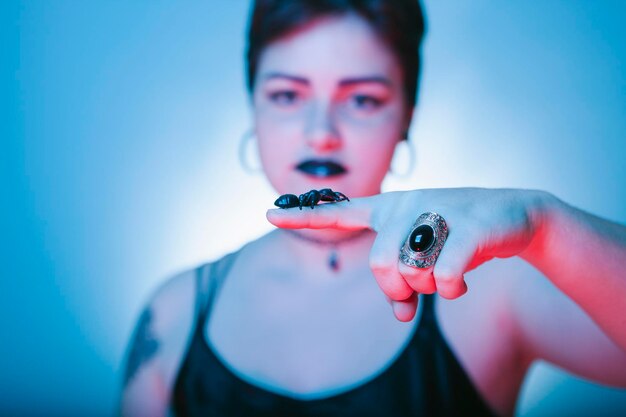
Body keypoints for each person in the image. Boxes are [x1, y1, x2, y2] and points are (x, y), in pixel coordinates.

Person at [120, 1, 626, 416]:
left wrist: (546, 226)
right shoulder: (174, 314)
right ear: (253, 104)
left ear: (407, 114)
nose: (321, 132)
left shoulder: (485, 284)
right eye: (286, 95)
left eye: (362, 99)